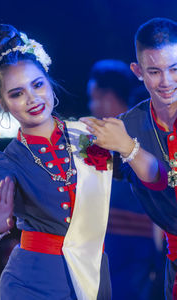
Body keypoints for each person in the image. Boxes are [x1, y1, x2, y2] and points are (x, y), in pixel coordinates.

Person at [0, 23, 163, 300]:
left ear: (48, 82)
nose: (32, 98)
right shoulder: (7, 159)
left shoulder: (90, 136)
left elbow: (157, 179)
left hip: (92, 277)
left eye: (37, 84)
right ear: (4, 103)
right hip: (31, 284)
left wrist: (127, 146)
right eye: (16, 93)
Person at [81, 17, 177, 300]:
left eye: (174, 69)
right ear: (138, 71)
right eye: (155, 71)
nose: (167, 81)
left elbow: (164, 183)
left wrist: (130, 149)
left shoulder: (124, 136)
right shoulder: (128, 126)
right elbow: (70, 163)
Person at [87, 59, 165, 300]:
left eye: (94, 97)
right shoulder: (145, 135)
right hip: (125, 266)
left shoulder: (139, 140)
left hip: (131, 265)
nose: (92, 106)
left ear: (108, 97)